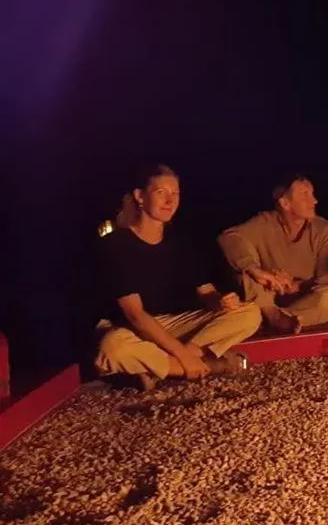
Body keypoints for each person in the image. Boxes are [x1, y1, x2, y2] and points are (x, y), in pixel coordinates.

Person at [95, 164, 261, 391]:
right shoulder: (116, 246)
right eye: (161, 192)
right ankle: (210, 365)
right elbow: (135, 315)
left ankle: (164, 368)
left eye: (175, 194)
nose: (169, 201)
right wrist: (182, 353)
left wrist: (221, 300)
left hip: (175, 324)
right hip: (132, 329)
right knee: (112, 348)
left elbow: (205, 292)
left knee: (249, 313)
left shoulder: (181, 242)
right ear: (139, 196)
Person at [218, 173, 328, 334]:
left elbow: (325, 279)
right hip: (266, 296)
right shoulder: (264, 223)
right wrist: (257, 271)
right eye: (305, 195)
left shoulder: (325, 231)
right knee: (244, 269)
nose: (314, 201)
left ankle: (277, 318)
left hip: (302, 299)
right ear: (285, 203)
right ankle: (271, 314)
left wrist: (295, 285)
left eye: (312, 194)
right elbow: (228, 237)